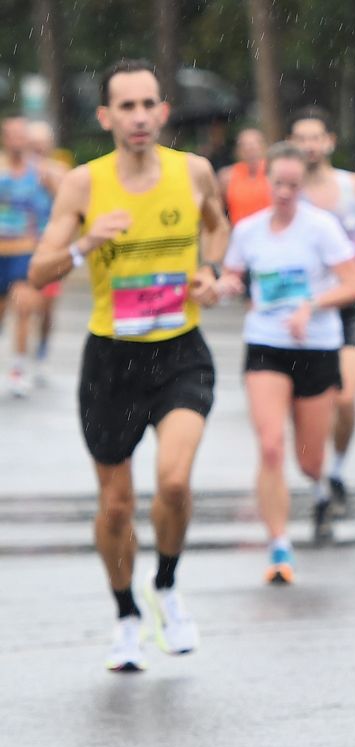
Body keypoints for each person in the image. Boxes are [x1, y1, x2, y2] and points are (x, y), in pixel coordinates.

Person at [29, 59, 229, 672]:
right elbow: (39, 271)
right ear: (106, 117)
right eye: (127, 107)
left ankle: (165, 585)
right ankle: (125, 614)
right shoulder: (84, 186)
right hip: (111, 361)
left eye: (149, 105)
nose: (139, 117)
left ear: (163, 112)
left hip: (180, 353)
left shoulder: (193, 172)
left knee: (173, 481)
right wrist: (87, 243)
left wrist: (211, 272)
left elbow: (218, 230)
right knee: (115, 506)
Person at [216, 143, 355, 581]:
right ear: (267, 181)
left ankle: (322, 485)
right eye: (277, 183)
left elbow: (354, 284)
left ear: (303, 186)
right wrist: (221, 286)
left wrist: (311, 305)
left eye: (293, 185)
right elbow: (234, 275)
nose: (284, 192)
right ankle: (279, 547)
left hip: (317, 347)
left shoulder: (322, 228)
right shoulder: (248, 230)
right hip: (266, 345)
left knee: (309, 461)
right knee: (269, 446)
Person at [289, 107, 355, 521]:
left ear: (330, 142)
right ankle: (316, 486)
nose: (310, 146)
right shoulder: (287, 192)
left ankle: (337, 471)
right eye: (301, 139)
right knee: (309, 408)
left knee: (345, 397)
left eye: (316, 137)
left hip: (349, 306)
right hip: (303, 312)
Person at [0, 113, 63, 396]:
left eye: (20, 135)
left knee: (26, 308)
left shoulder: (42, 171)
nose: (17, 141)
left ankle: (19, 368)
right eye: (11, 135)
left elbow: (65, 204)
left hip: (27, 251)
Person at [23, 118, 69, 385]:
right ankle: (22, 355)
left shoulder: (59, 170)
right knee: (25, 305)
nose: (37, 150)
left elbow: (68, 204)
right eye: (33, 145)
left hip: (50, 249)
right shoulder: (14, 170)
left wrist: (50, 181)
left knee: (47, 308)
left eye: (42, 145)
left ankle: (41, 351)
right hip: (22, 248)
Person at [219, 127, 272, 227]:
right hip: (240, 236)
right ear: (237, 151)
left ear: (264, 147)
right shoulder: (227, 176)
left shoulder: (274, 173)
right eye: (245, 146)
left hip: (270, 235)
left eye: (254, 145)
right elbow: (217, 212)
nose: (250, 150)